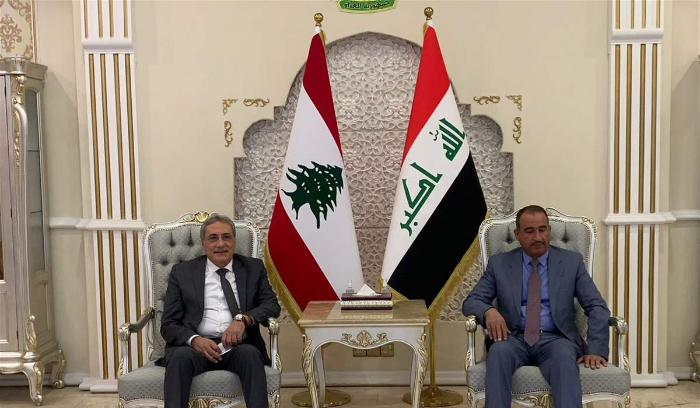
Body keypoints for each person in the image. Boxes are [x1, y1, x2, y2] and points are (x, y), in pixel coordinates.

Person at [462, 205, 610, 408]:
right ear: (518, 234)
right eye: (530, 231)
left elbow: (596, 306)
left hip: (556, 339)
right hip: (512, 338)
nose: (537, 237)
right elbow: (472, 301)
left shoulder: (571, 262)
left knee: (564, 359)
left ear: (549, 230)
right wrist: (489, 311)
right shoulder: (499, 264)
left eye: (542, 230)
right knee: (498, 353)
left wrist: (596, 349)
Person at [158, 214, 281, 408]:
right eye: (213, 238)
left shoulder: (253, 268)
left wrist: (243, 319)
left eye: (226, 237)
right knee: (179, 358)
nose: (220, 244)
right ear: (203, 243)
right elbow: (168, 324)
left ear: (234, 241)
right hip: (194, 349)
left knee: (250, 354)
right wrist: (194, 340)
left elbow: (272, 305)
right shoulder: (182, 272)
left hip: (238, 347)